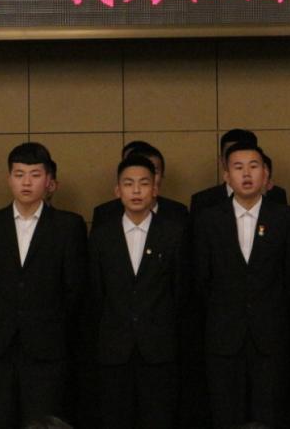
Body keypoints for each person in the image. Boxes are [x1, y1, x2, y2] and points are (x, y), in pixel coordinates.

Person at [0, 142, 87, 429]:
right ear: (9, 179)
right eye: (19, 174)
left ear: (48, 181)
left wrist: (49, 321)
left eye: (35, 175)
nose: (26, 182)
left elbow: (75, 288)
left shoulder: (68, 225)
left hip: (47, 347)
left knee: (43, 421)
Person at [193, 143, 290, 429]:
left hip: (271, 337)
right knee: (226, 415)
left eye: (254, 166)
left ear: (265, 173)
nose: (247, 174)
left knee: (271, 415)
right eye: (238, 167)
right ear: (226, 175)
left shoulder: (285, 218)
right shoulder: (208, 219)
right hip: (224, 336)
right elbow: (202, 280)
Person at [88, 155, 190, 429]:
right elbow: (96, 294)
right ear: (117, 190)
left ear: (155, 189)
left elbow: (180, 293)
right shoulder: (101, 236)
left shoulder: (173, 234)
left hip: (159, 350)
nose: (136, 190)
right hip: (114, 350)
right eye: (128, 183)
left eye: (144, 183)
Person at [191, 129, 287, 216]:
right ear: (222, 160)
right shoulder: (202, 200)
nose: (246, 172)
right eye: (232, 155)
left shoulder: (276, 195)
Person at [92, 141, 188, 227]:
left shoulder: (179, 212)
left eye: (154, 172)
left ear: (162, 175)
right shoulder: (104, 213)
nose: (137, 189)